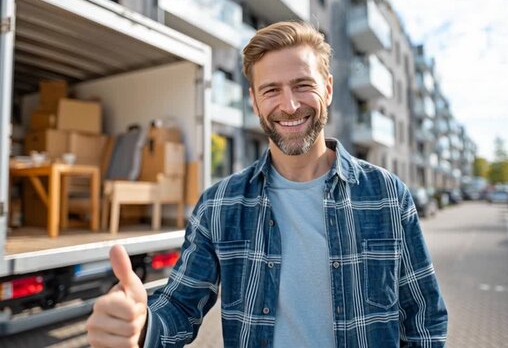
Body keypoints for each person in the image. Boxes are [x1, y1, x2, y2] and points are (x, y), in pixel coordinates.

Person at [86, 20, 448, 348]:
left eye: (302, 85)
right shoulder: (219, 205)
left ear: (329, 89)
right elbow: (180, 305)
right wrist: (141, 324)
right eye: (271, 90)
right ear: (255, 103)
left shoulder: (387, 195)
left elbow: (424, 317)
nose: (289, 105)